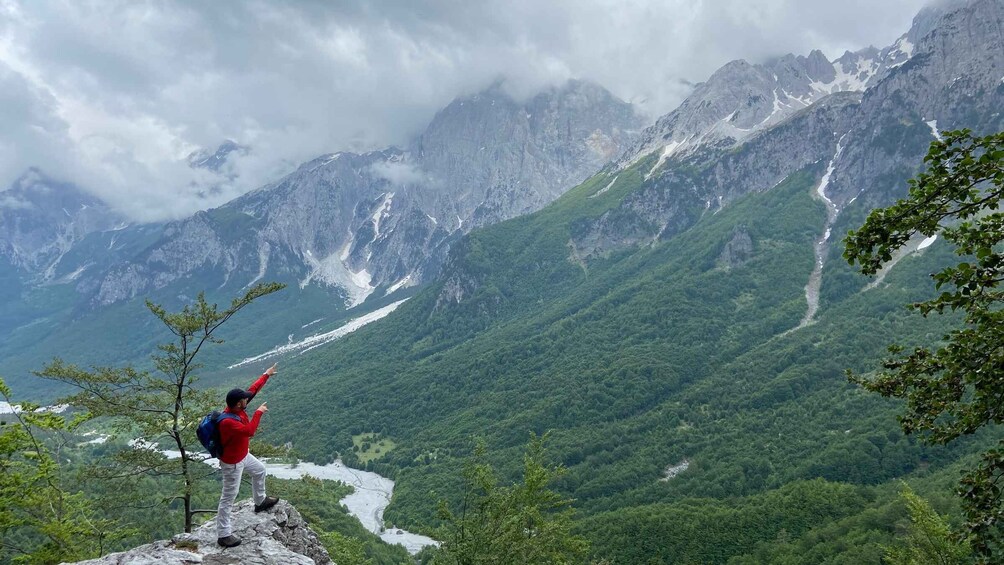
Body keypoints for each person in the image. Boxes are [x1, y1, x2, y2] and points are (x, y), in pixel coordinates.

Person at [216, 362, 280, 548]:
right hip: (232, 463)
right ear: (238, 403)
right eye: (244, 399)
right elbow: (250, 431)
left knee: (260, 470)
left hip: (243, 455)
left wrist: (266, 374)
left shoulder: (237, 408)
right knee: (228, 497)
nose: (247, 399)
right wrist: (259, 413)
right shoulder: (228, 421)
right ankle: (223, 534)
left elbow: (253, 390)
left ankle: (260, 501)